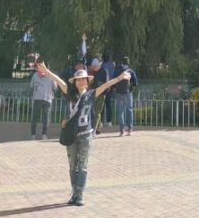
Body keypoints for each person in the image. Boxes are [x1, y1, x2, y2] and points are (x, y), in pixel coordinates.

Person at [37, 62, 130, 205]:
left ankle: (80, 194)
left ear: (87, 82)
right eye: (78, 80)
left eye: (83, 79)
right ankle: (74, 192)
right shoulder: (69, 93)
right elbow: (58, 80)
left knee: (83, 165)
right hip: (72, 135)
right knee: (72, 165)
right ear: (75, 82)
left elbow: (106, 85)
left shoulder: (91, 95)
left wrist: (119, 78)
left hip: (86, 134)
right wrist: (47, 71)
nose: (81, 82)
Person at [29, 56, 57, 140]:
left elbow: (55, 88)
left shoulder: (51, 76)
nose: (39, 68)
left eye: (41, 66)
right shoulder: (35, 75)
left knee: (46, 118)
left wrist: (55, 81)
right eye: (38, 66)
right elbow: (31, 86)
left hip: (47, 100)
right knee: (35, 117)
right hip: (37, 98)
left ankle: (44, 134)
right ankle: (33, 134)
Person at [114, 55, 138, 136]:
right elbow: (135, 83)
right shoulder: (130, 71)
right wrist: (131, 88)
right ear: (128, 62)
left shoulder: (116, 70)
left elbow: (113, 81)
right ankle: (130, 129)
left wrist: (116, 89)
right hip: (128, 93)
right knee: (129, 110)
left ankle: (121, 130)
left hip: (118, 93)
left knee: (120, 111)